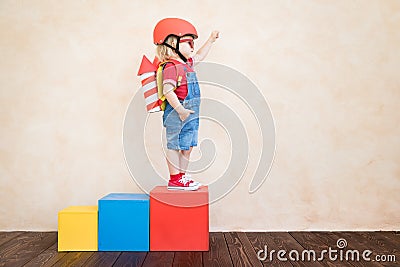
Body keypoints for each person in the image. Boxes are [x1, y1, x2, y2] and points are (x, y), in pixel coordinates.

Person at [153, 18, 219, 190]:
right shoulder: (171, 67)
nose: (192, 46)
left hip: (189, 114)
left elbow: (199, 56)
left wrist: (210, 40)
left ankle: (181, 176)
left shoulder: (187, 64)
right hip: (177, 113)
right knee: (175, 144)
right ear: (172, 44)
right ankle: (174, 178)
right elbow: (168, 91)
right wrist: (181, 110)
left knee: (187, 146)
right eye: (188, 42)